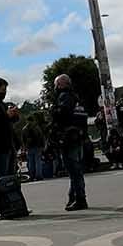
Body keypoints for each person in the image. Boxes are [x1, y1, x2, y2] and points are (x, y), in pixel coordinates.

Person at [51, 74, 88, 211]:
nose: (55, 87)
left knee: (74, 170)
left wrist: (53, 111)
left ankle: (80, 199)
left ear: (61, 85)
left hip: (69, 138)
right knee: (76, 170)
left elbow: (61, 115)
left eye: (57, 85)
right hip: (78, 136)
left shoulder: (64, 97)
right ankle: (73, 197)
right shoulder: (76, 97)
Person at [22, 116, 46, 181]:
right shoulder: (36, 128)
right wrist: (43, 146)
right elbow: (41, 137)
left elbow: (23, 139)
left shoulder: (24, 129)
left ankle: (31, 176)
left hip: (29, 147)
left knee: (31, 162)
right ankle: (39, 175)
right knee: (38, 162)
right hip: (37, 147)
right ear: (33, 120)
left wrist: (24, 148)